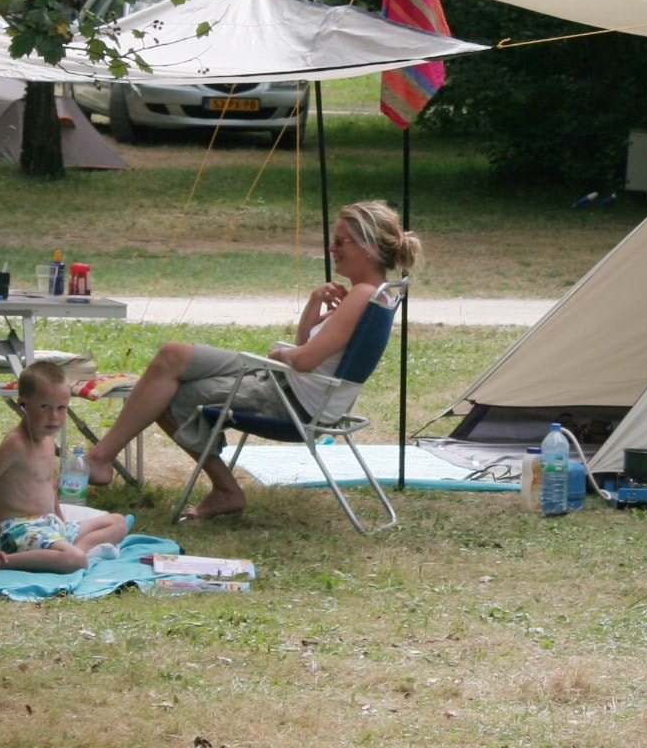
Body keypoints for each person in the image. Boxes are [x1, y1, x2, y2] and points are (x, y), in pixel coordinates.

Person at [82, 200, 420, 519]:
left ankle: (223, 488)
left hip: (290, 399)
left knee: (166, 395)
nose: (332, 249)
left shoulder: (363, 295)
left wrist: (280, 354)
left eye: (340, 241)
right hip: (283, 383)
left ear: (369, 247)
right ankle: (101, 457)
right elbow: (307, 345)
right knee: (173, 355)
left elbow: (302, 360)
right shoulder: (375, 294)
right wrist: (314, 303)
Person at [0, 360, 136, 575]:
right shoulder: (16, 444)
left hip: (49, 525)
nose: (54, 417)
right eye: (45, 407)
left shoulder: (47, 437)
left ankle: (63, 556)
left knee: (118, 523)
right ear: (22, 405)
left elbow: (48, 484)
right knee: (75, 559)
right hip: (19, 531)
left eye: (61, 408)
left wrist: (61, 520)